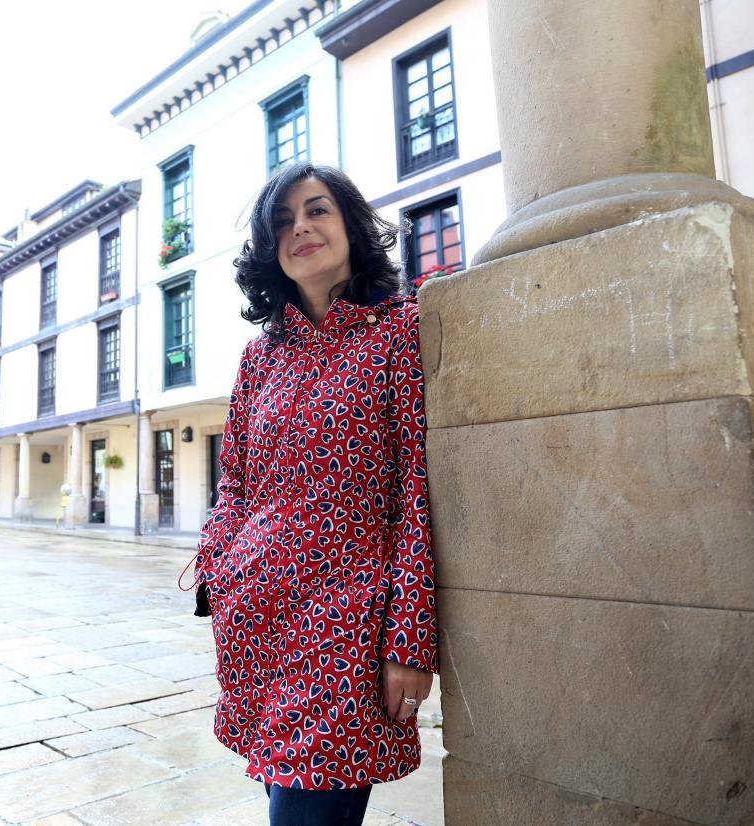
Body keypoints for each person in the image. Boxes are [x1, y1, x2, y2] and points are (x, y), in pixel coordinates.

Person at [192, 162, 437, 826]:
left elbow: (417, 490)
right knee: (283, 792)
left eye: (317, 210)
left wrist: (409, 640)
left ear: (352, 227)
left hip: (347, 625)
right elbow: (236, 481)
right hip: (255, 622)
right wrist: (217, 573)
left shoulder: (400, 334)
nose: (300, 227)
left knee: (305, 810)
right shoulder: (259, 357)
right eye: (282, 221)